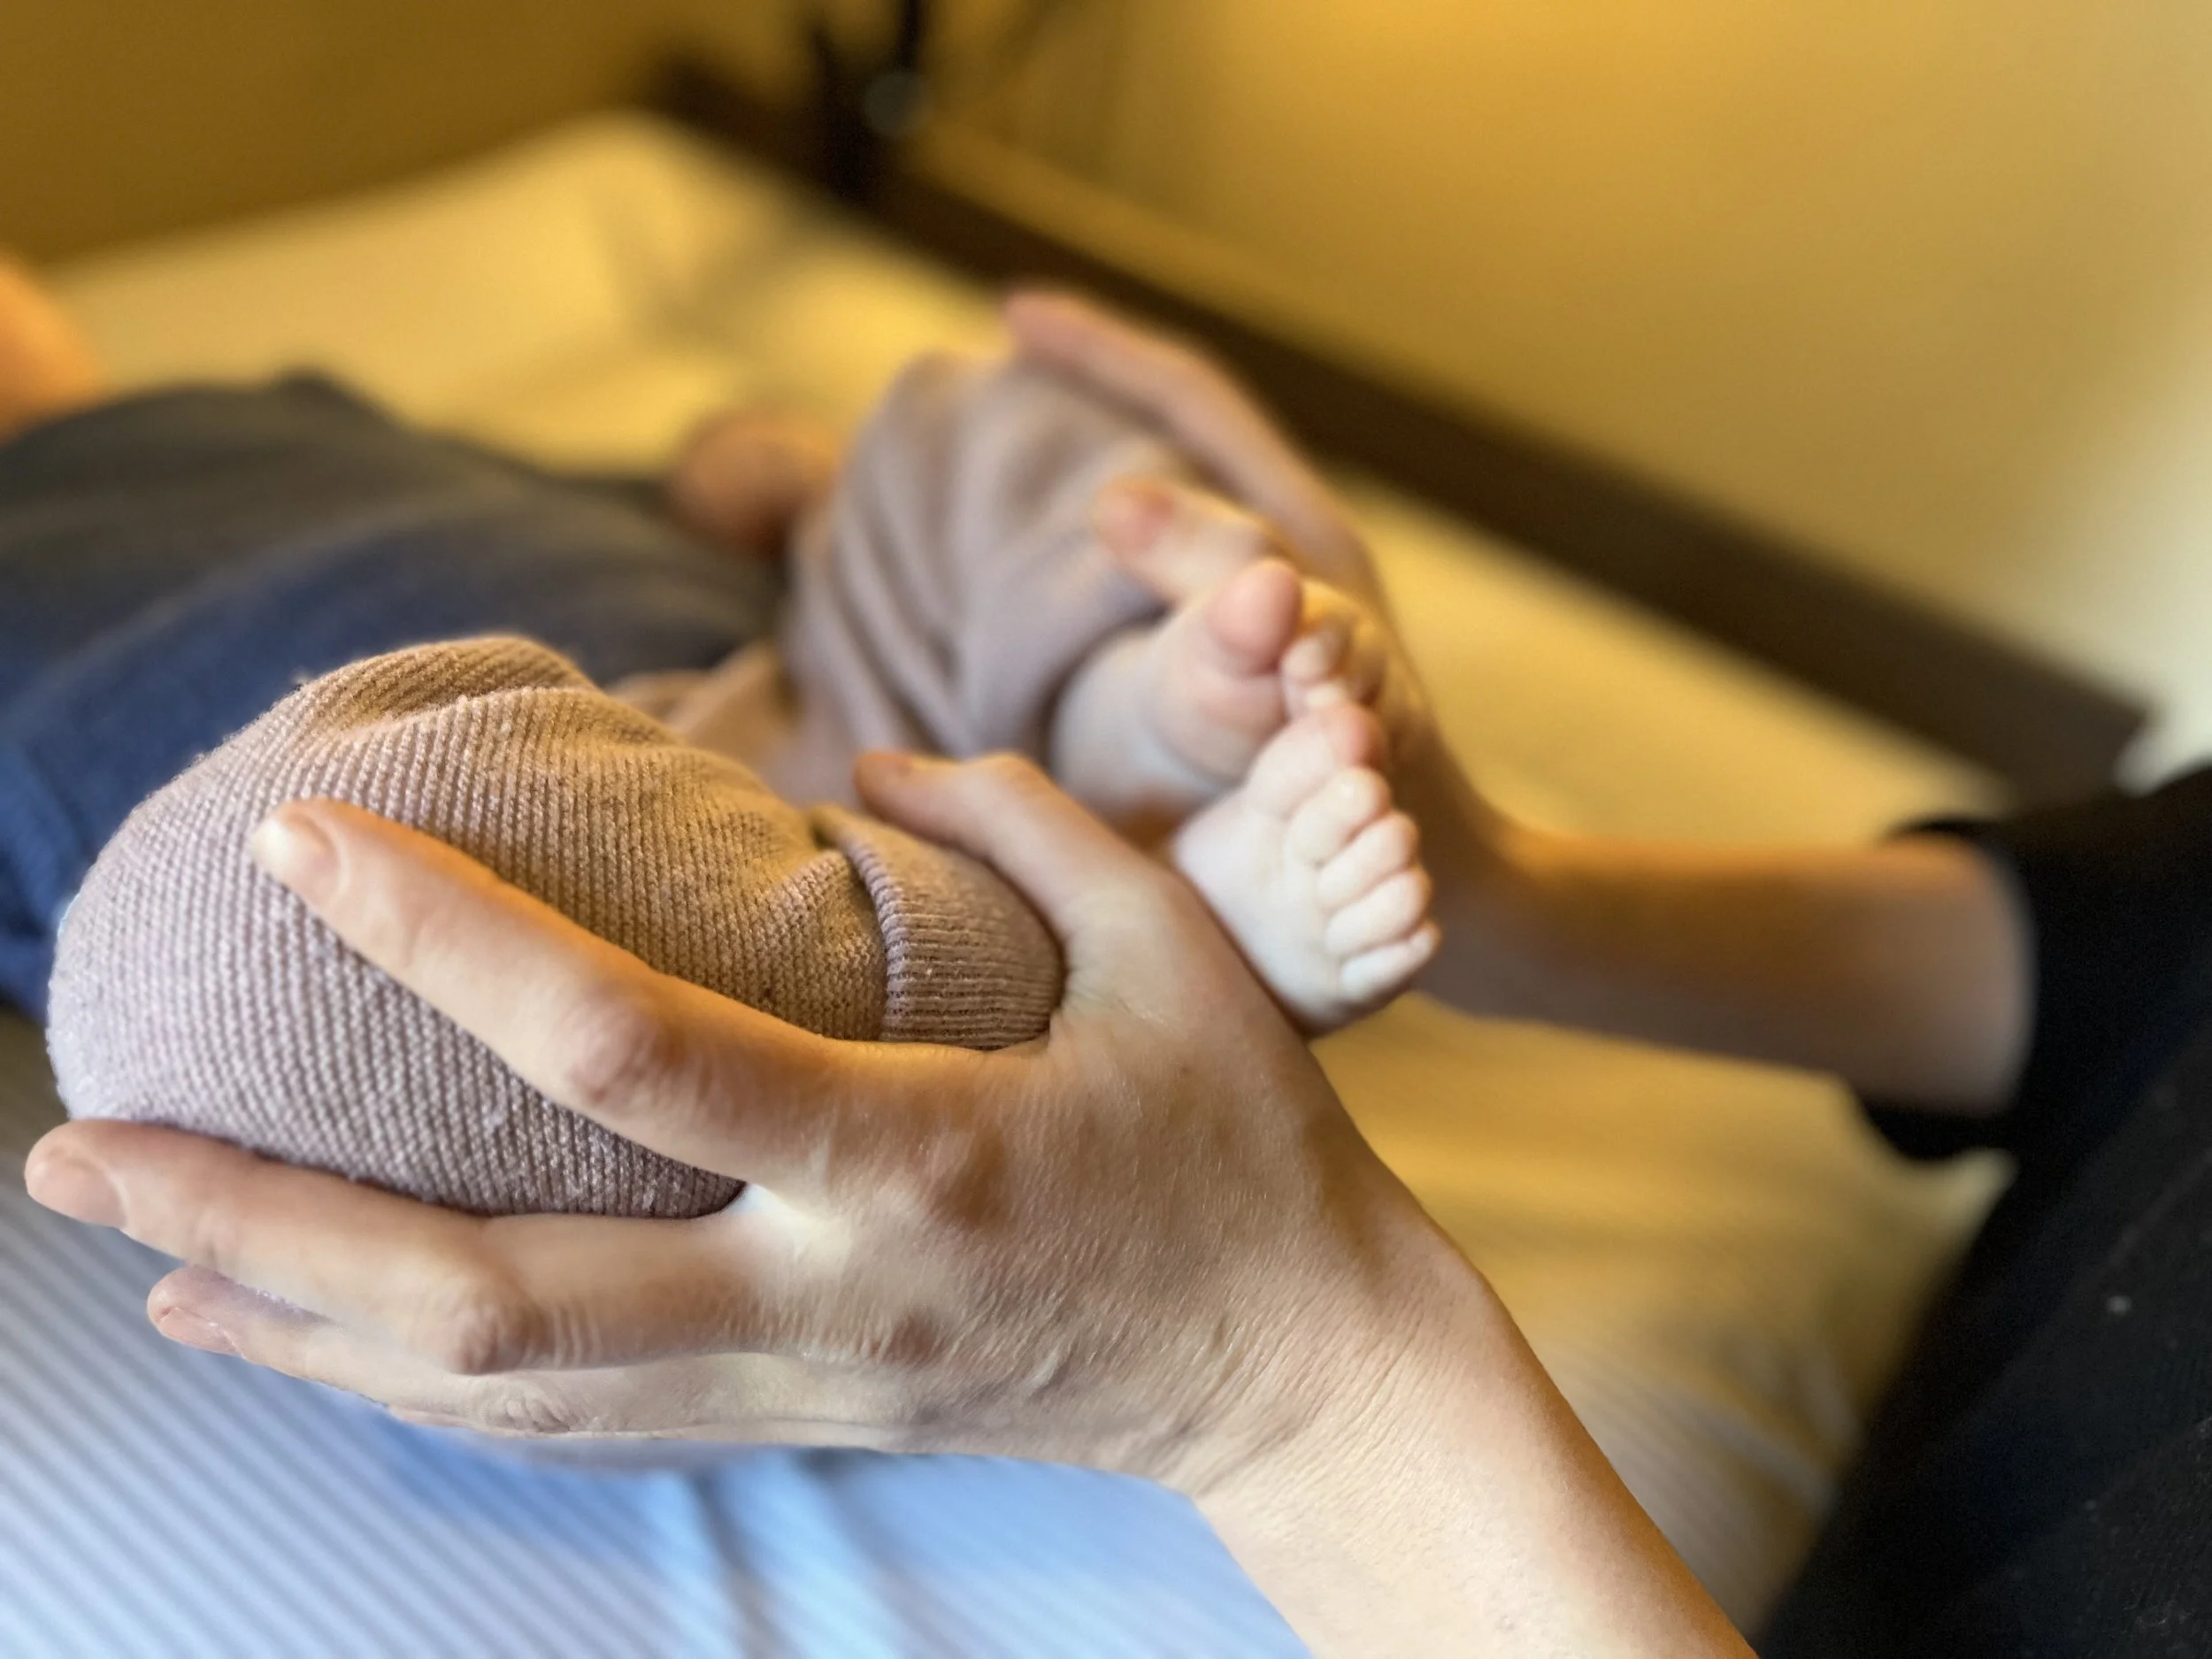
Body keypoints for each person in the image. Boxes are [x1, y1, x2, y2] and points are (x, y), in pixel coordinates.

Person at [24, 295, 2212, 1655]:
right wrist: (1514, 890)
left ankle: (1081, 897)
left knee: (253, 946)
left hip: (675, 786)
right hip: (817, 709)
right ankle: (1130, 775)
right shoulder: (253, 400)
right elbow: (2153, 937)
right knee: (1010, 440)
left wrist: (1290, 1394)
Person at [35, 331, 1432, 1221]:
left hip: (815, 665)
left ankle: (1133, 717)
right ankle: (1112, 945)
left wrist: (733, 473)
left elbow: (599, 490)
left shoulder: (256, 400)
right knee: (245, 948)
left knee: (950, 421)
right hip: (553, 837)